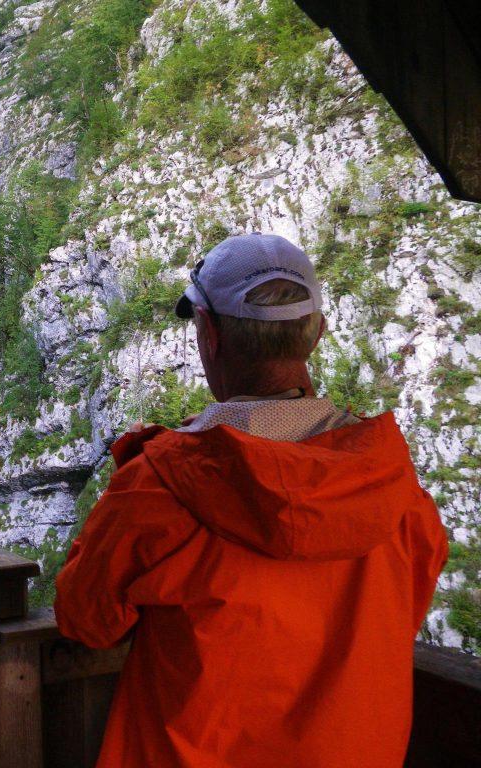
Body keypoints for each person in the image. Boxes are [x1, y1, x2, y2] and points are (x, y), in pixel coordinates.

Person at [55, 233, 448, 767]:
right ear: (316, 334)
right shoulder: (398, 496)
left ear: (208, 334)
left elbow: (86, 619)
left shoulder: (159, 487)